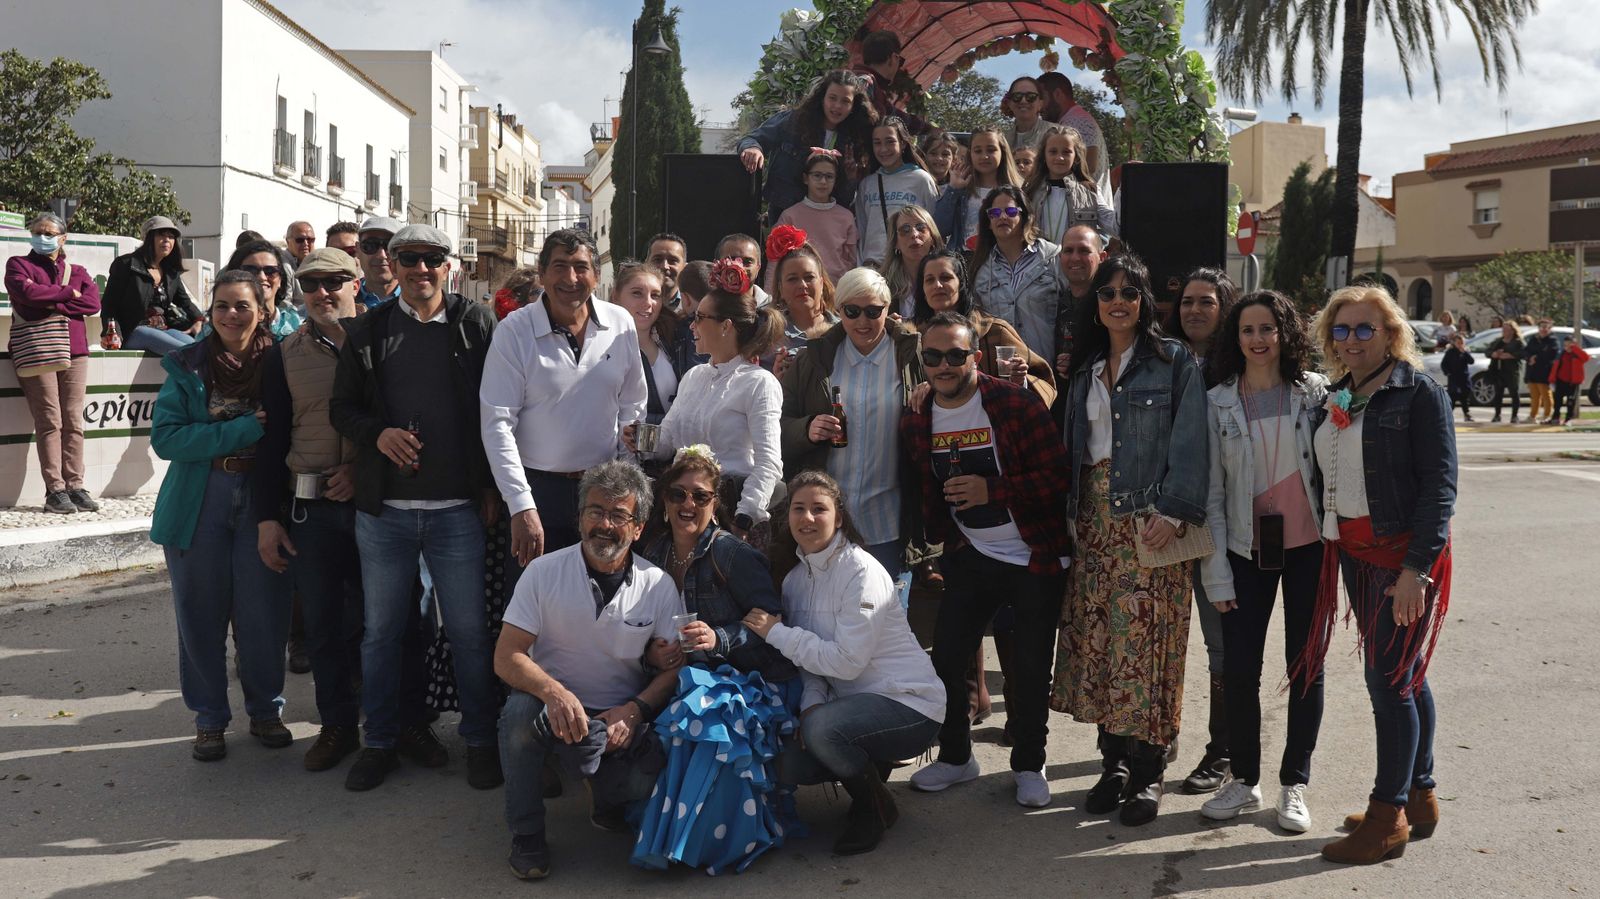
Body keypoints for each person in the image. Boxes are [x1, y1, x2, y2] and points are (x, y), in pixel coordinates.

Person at [329, 224, 503, 793]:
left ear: (448, 266)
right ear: (392, 264)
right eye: (409, 258)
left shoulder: (475, 323)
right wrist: (377, 435)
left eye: (431, 259)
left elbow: (498, 410)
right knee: (380, 634)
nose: (419, 269)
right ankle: (378, 742)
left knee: (470, 634)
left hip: (456, 510)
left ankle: (480, 740)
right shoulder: (368, 330)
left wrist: (492, 488)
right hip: (386, 514)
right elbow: (342, 410)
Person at [1052, 253, 1208, 827]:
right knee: (1102, 648)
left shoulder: (1174, 363)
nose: (1118, 301)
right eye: (1107, 292)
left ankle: (1148, 774)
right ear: (1095, 303)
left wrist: (1173, 512)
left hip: (1150, 523)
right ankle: (1112, 764)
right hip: (1094, 525)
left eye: (1130, 292)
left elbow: (1192, 445)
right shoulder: (1087, 366)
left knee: (1149, 649)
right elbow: (1076, 448)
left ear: (1145, 302)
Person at [1302, 285, 1456, 865]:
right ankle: (1419, 796)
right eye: (1342, 330)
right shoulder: (1341, 392)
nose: (1352, 340)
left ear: (1391, 333)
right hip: (1356, 557)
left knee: (1388, 683)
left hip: (1403, 560)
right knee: (1406, 675)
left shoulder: (1419, 394)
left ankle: (1387, 815)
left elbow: (1440, 489)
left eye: (1366, 329)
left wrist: (1417, 569)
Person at [902, 312, 1071, 809]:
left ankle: (1029, 763)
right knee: (949, 656)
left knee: (1030, 664)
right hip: (970, 554)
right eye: (932, 357)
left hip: (1032, 555)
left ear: (976, 356)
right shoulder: (919, 415)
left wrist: (992, 489)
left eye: (956, 355)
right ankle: (957, 757)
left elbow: (1058, 476)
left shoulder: (1014, 403)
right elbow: (922, 487)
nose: (944, 366)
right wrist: (936, 546)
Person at [493, 462, 687, 880]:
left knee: (640, 783)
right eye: (596, 511)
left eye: (619, 515)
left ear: (638, 528)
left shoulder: (658, 584)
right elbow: (506, 655)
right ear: (579, 518)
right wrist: (554, 693)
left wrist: (634, 710)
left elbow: (673, 670)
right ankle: (526, 835)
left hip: (618, 720)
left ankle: (605, 797)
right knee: (517, 718)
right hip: (552, 710)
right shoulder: (543, 572)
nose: (605, 524)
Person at [743, 471, 945, 855]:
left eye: (819, 509)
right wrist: (811, 705)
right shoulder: (794, 581)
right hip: (850, 708)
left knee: (822, 730)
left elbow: (848, 662)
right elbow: (811, 665)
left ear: (839, 517)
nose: (808, 518)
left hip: (910, 704)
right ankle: (870, 773)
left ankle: (874, 807)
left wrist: (776, 633)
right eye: (799, 509)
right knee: (790, 761)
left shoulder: (861, 571)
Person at [631, 447, 802, 874]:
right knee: (690, 710)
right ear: (664, 500)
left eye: (701, 497)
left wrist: (719, 638)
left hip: (752, 681)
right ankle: (681, 836)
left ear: (715, 503)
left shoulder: (732, 555)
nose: (688, 505)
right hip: (691, 680)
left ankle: (711, 843)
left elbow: (770, 623)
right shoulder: (652, 554)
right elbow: (637, 623)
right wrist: (653, 649)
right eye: (678, 495)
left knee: (705, 720)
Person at [1196, 291, 1329, 833]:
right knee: (1240, 669)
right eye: (1248, 330)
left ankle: (1294, 783)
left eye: (1268, 329)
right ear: (1236, 338)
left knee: (1307, 669)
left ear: (1285, 333)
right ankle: (1245, 780)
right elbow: (1210, 493)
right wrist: (1216, 570)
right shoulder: (1218, 402)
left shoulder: (1316, 394)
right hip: (1244, 553)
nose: (1258, 339)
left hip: (1310, 551)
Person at [149, 270, 291, 761]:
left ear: (262, 310)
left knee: (263, 615)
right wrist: (242, 431)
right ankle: (209, 719)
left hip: (263, 499)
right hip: (198, 499)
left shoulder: (282, 360)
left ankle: (266, 710)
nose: (233, 315)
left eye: (243, 306)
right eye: (224, 306)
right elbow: (167, 439)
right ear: (210, 312)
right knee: (200, 617)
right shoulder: (187, 364)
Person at [252, 248, 368, 772]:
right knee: (322, 626)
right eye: (312, 283)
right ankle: (337, 726)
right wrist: (267, 518)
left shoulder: (388, 344)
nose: (324, 292)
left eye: (335, 282)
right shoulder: (282, 356)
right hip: (312, 512)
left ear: (356, 284)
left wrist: (364, 470)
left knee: (386, 623)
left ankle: (396, 725)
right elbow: (272, 440)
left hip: (378, 507)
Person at [481, 228, 647, 569]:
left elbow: (633, 404)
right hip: (539, 493)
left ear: (597, 275)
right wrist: (521, 504)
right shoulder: (514, 331)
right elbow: (497, 423)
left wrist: (626, 475)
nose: (571, 278)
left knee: (602, 602)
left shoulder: (621, 323)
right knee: (536, 608)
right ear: (542, 273)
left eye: (580, 266)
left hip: (604, 489)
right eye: (559, 266)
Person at [778, 268, 924, 598]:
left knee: (882, 621)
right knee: (824, 617)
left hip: (887, 519)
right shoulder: (814, 358)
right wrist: (807, 429)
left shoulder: (912, 356)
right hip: (825, 520)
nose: (863, 321)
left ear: (888, 309)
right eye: (852, 311)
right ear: (838, 309)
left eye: (873, 311)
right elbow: (776, 425)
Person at [629, 259, 786, 546]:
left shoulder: (759, 382)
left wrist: (744, 518)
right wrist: (638, 436)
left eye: (700, 318)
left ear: (726, 326)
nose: (692, 325)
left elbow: (769, 464)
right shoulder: (694, 376)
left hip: (731, 515)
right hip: (683, 510)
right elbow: (668, 438)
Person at [1162, 266, 1239, 795]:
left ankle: (1224, 750)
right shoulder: (1162, 360)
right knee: (1162, 639)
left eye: (1206, 302)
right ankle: (1158, 732)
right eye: (1187, 300)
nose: (1194, 309)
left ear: (1225, 309)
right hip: (1166, 519)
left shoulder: (1240, 369)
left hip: (1220, 525)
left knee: (1220, 645)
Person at [5, 212, 103, 514]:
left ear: (63, 238)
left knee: (74, 420)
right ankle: (55, 490)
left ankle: (75, 485)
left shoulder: (78, 270)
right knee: (49, 419)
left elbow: (92, 303)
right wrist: (66, 294)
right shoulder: (18, 265)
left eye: (49, 233)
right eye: (37, 232)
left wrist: (51, 300)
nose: (42, 237)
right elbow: (24, 292)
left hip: (75, 349)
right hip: (38, 348)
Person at [912, 247, 1055, 407]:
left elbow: (1044, 382)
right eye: (929, 280)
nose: (937, 285)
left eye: (946, 277)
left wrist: (1020, 381)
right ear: (923, 290)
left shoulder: (995, 331)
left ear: (961, 284)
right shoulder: (910, 337)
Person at [738, 69, 877, 222]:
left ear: (853, 106)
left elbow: (845, 200)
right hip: (784, 213)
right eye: (832, 98)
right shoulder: (793, 120)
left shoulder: (854, 139)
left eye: (845, 101)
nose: (837, 106)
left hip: (825, 221)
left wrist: (851, 178)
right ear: (822, 98)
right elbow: (753, 138)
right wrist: (753, 149)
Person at [970, 186, 1064, 362]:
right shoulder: (981, 271)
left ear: (1025, 217)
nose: (1003, 217)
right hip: (1002, 374)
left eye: (1011, 211)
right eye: (995, 212)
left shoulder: (1052, 258)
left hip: (1047, 368)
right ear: (988, 222)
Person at [102, 215, 204, 355]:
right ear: (149, 238)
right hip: (134, 331)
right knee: (187, 353)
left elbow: (184, 301)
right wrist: (113, 334)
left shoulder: (170, 272)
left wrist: (199, 319)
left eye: (171, 236)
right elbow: (109, 305)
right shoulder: (126, 264)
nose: (167, 240)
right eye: (161, 235)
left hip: (164, 330)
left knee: (198, 348)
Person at [855, 117, 938, 269]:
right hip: (873, 269)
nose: (883, 149)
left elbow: (933, 227)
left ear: (903, 143)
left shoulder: (921, 180)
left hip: (907, 268)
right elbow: (862, 230)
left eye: (890, 141)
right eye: (877, 143)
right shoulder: (867, 184)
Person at [934, 125, 1025, 254]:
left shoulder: (1019, 190)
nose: (984, 156)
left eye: (991, 150)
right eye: (977, 151)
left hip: (1004, 261)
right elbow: (939, 228)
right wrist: (953, 190)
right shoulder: (961, 189)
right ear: (970, 154)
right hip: (966, 261)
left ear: (1003, 152)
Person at [773, 150, 858, 284]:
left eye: (829, 176)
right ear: (806, 178)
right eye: (817, 175)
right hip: (801, 290)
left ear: (836, 180)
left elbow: (852, 260)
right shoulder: (790, 216)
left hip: (838, 291)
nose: (823, 181)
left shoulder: (846, 217)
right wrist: (770, 297)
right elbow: (775, 261)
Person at [609, 263, 680, 423]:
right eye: (637, 293)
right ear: (616, 297)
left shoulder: (674, 344)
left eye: (655, 295)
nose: (648, 303)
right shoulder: (600, 349)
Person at [1024, 126, 1117, 243]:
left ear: (1076, 157)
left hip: (1076, 260)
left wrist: (1128, 185)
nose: (1059, 157)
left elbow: (1113, 226)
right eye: (1053, 152)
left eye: (1066, 152)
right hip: (1039, 260)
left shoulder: (1089, 192)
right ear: (1044, 156)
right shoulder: (1030, 192)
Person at [1039, 71, 1112, 201]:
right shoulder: (1070, 120)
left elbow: (1089, 166)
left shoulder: (1077, 121)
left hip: (1088, 209)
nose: (1039, 106)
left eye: (1042, 98)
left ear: (1057, 94)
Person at [770, 240, 840, 364]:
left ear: (821, 283)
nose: (802, 285)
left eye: (809, 277)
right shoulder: (768, 334)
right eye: (792, 279)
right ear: (780, 289)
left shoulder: (844, 329)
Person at [1054, 224, 1108, 381]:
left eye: (1084, 251)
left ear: (1102, 258)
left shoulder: (1112, 303)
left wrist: (1081, 362)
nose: (1075, 258)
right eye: (1068, 251)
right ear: (1060, 257)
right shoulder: (1052, 304)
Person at [851, 31, 932, 135]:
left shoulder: (865, 82)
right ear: (894, 58)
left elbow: (896, 116)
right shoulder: (866, 83)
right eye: (900, 61)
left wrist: (926, 128)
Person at [226, 241, 303, 340]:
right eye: (251, 270)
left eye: (270, 271)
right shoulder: (222, 324)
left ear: (280, 279)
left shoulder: (295, 325)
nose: (262, 277)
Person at [880, 204, 944, 318]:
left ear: (933, 238)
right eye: (905, 230)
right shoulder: (881, 285)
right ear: (895, 243)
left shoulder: (950, 277)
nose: (914, 235)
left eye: (921, 227)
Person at [354, 216, 403, 309]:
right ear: (357, 250)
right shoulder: (343, 301)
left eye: (390, 247)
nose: (382, 255)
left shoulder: (420, 301)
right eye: (370, 245)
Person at [715, 233, 774, 308]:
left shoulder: (774, 311)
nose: (740, 267)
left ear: (758, 268)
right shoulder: (705, 309)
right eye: (731, 260)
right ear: (716, 265)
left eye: (747, 262)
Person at [1524, 318, 1561, 424]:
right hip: (1532, 370)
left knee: (1545, 394)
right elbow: (1526, 351)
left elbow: (1551, 354)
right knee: (1534, 395)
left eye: (1546, 327)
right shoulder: (1533, 339)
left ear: (1550, 328)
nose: (1543, 329)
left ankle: (1547, 415)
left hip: (1545, 370)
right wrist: (1529, 358)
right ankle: (1532, 416)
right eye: (1541, 327)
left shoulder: (1553, 340)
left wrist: (1537, 357)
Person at [1486, 320, 1525, 423]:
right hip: (1498, 370)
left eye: (1507, 329)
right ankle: (1497, 415)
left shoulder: (1518, 342)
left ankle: (1514, 416)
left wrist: (1511, 355)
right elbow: (1488, 351)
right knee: (1498, 393)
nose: (1505, 331)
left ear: (1513, 330)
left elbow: (1523, 353)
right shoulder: (1498, 341)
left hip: (1512, 371)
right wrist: (1493, 354)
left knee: (1514, 393)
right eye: (1504, 329)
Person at [1000, 76, 1050, 152]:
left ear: (1040, 104)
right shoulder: (1001, 140)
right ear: (1009, 103)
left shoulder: (1058, 134)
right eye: (1017, 96)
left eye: (1031, 96)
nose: (1023, 101)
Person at [644, 233, 688, 313]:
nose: (664, 266)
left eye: (673, 260)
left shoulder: (693, 309)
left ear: (684, 267)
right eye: (657, 259)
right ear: (646, 263)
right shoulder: (631, 305)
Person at [1553, 334, 1587, 425]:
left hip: (1572, 382)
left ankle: (1568, 418)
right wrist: (1552, 378)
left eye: (1570, 345)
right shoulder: (1561, 354)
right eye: (1565, 345)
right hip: (1560, 380)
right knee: (1557, 400)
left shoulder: (1577, 354)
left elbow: (1586, 358)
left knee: (1570, 401)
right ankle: (1556, 416)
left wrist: (1574, 349)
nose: (1567, 348)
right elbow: (1556, 366)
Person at [1440, 333, 1475, 421]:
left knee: (1464, 397)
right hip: (1453, 377)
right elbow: (1444, 364)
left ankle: (1467, 414)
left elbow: (1471, 361)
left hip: (1463, 377)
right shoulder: (1450, 352)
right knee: (1453, 396)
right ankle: (1448, 415)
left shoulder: (1465, 352)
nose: (1460, 344)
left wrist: (1464, 352)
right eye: (1458, 342)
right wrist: (1447, 372)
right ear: (1454, 343)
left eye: (1461, 342)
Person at [920, 131, 961, 196]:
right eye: (933, 153)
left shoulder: (959, 185)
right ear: (924, 156)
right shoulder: (917, 181)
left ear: (954, 159)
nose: (939, 158)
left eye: (945, 154)